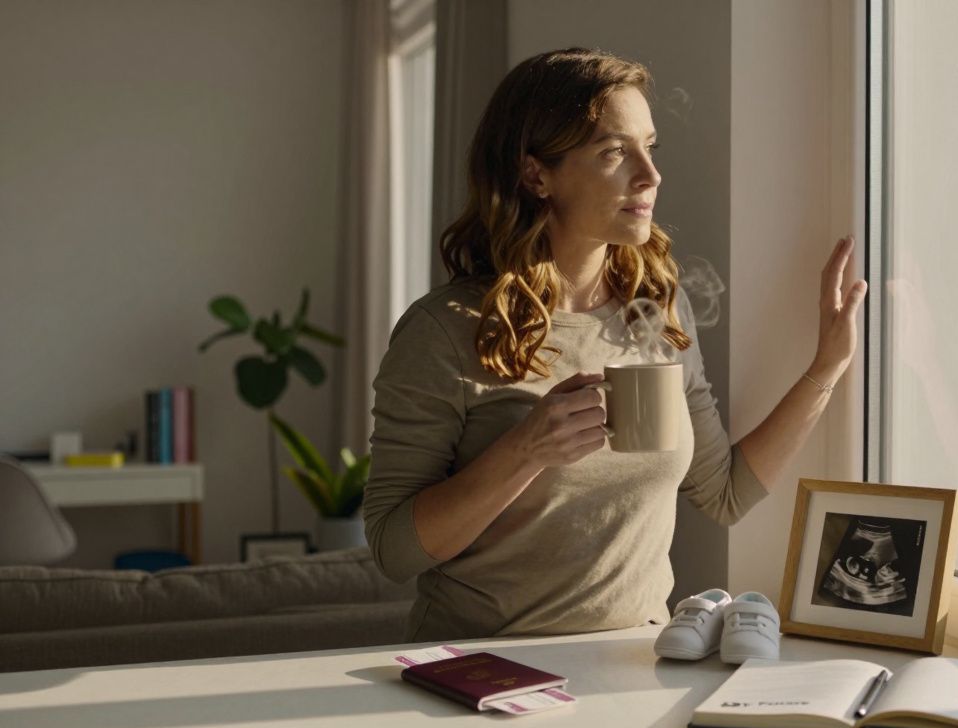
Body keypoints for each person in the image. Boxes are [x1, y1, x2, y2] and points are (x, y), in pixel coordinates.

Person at [363, 48, 867, 642]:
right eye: (613, 152)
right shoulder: (444, 331)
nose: (650, 176)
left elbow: (722, 491)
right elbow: (395, 550)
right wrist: (526, 449)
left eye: (649, 148)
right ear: (536, 175)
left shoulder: (655, 310)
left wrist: (827, 367)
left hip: (633, 666)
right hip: (482, 673)